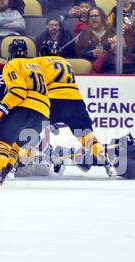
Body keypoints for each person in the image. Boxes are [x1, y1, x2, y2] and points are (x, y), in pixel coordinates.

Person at [0, 39, 51, 187]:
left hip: (25, 107)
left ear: (10, 53)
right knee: (15, 145)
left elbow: (18, 91)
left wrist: (2, 107)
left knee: (1, 141)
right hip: (43, 112)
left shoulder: (12, 64)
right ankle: (5, 170)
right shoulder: (36, 66)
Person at [35, 40, 116, 177]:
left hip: (52, 100)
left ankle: (50, 155)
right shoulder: (66, 63)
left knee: (28, 130)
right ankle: (108, 163)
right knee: (87, 136)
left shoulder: (38, 61)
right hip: (75, 101)